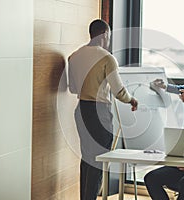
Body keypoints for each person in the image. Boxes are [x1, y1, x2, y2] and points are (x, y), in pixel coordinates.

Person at [68, 19, 138, 200]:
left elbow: (73, 88)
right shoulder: (107, 58)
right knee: (98, 161)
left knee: (87, 158)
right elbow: (119, 91)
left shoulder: (74, 56)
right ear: (105, 34)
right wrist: (131, 100)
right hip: (99, 113)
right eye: (109, 37)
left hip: (81, 110)